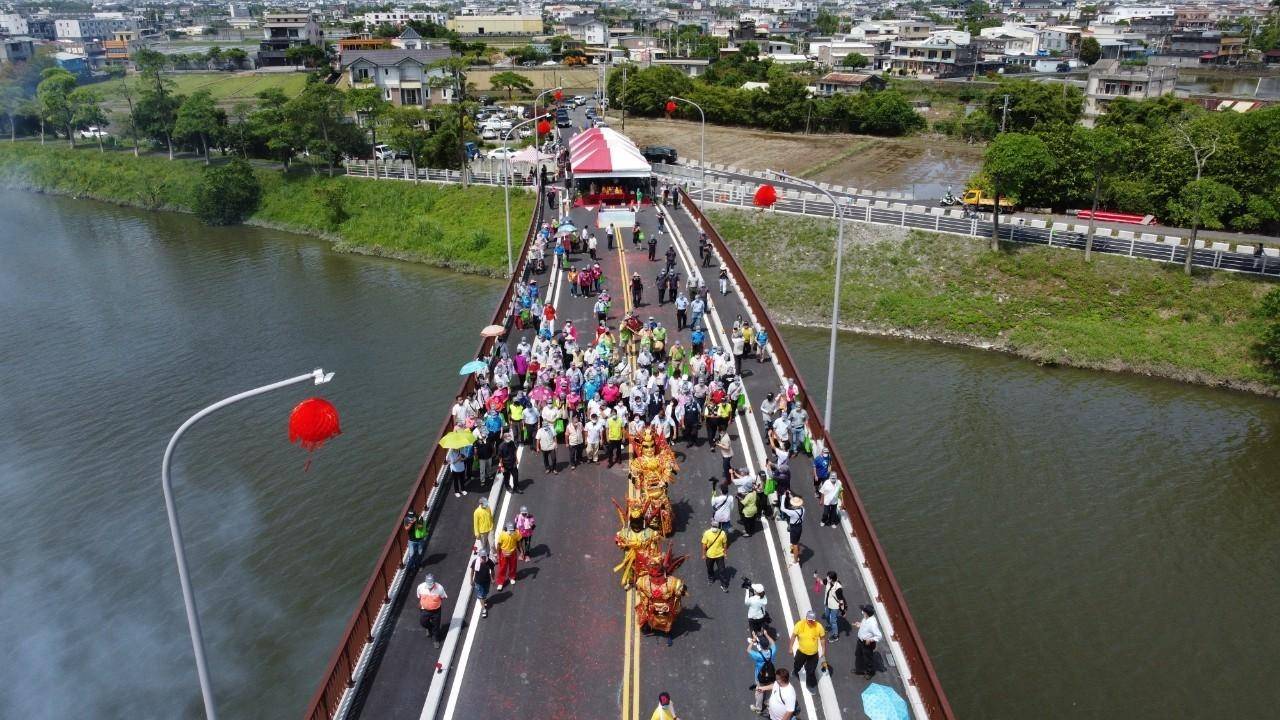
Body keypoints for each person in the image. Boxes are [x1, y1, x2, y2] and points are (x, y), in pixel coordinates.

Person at [790, 610, 826, 692]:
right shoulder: (799, 625)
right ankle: (795, 671)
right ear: (806, 617)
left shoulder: (819, 627)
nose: (810, 621)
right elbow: (793, 636)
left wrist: (823, 651)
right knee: (797, 663)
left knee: (810, 671)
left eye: (812, 620)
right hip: (801, 652)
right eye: (809, 619)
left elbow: (822, 639)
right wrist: (790, 647)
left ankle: (809, 685)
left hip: (813, 654)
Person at [749, 632, 777, 716]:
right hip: (771, 675)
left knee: (759, 691)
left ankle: (758, 708)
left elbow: (748, 650)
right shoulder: (772, 651)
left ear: (760, 646)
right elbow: (773, 643)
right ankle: (767, 702)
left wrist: (753, 640)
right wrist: (767, 634)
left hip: (760, 677)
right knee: (768, 689)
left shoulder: (758, 655)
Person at [417, 574, 448, 648]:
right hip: (424, 610)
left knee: (436, 626)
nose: (430, 587)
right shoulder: (420, 587)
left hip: (436, 611)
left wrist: (434, 603)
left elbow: (443, 597)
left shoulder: (440, 588)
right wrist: (422, 604)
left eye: (431, 585)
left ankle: (436, 640)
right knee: (423, 622)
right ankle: (429, 628)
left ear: (434, 582)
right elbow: (419, 596)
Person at [853, 604, 883, 678]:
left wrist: (870, 639)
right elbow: (865, 626)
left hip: (867, 644)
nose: (862, 612)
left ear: (867, 613)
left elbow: (879, 636)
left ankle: (870, 673)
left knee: (868, 659)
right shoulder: (866, 618)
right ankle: (860, 670)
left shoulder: (872, 624)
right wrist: (859, 624)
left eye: (864, 611)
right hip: (860, 641)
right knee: (858, 655)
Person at [818, 571, 847, 642]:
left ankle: (835, 636)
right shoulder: (828, 581)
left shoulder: (838, 589)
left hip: (834, 606)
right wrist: (817, 577)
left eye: (828, 577)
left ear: (831, 579)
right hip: (828, 604)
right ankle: (830, 626)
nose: (826, 578)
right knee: (827, 615)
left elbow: (841, 601)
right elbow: (821, 582)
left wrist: (843, 612)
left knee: (833, 621)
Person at [779, 492, 804, 566]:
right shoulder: (803, 509)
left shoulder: (792, 512)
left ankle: (795, 561)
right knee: (796, 542)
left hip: (794, 528)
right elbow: (795, 502)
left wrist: (783, 497)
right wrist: (790, 495)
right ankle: (796, 554)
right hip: (799, 527)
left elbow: (782, 508)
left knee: (795, 544)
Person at [495, 522, 520, 590]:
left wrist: (521, 552)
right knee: (502, 568)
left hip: (513, 553)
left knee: (513, 566)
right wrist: (498, 554)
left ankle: (512, 577)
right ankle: (500, 582)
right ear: (507, 529)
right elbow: (498, 545)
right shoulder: (502, 535)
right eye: (510, 530)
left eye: (512, 530)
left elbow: (518, 542)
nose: (511, 531)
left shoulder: (516, 533)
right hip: (504, 554)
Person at [470, 550, 495, 619]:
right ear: (480, 556)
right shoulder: (475, 562)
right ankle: (484, 609)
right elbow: (472, 571)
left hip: (487, 581)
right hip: (478, 582)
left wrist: (493, 579)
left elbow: (492, 570)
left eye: (484, 556)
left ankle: (484, 600)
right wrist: (471, 580)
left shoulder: (489, 561)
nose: (483, 558)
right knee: (481, 595)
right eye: (482, 557)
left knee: (486, 592)